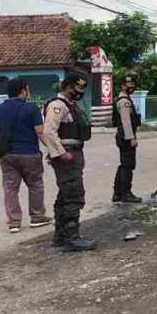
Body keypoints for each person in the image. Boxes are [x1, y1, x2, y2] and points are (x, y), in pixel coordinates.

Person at [41, 73, 95, 252]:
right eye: (75, 88)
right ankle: (72, 238)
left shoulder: (70, 105)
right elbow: (48, 132)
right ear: (66, 86)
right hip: (67, 157)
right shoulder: (58, 105)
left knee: (65, 195)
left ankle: (61, 236)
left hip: (72, 154)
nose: (78, 92)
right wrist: (61, 154)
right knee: (73, 194)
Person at [0, 79, 50, 233]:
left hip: (7, 155)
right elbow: (40, 132)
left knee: (10, 188)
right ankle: (37, 217)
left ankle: (14, 222)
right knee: (35, 185)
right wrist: (52, 149)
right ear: (23, 91)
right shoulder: (31, 108)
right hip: (29, 153)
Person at [112, 75, 142, 203]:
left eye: (132, 84)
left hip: (124, 136)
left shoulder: (125, 99)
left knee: (124, 165)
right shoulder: (124, 101)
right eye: (128, 84)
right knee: (128, 165)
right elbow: (126, 121)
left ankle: (118, 193)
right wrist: (131, 138)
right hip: (126, 136)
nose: (131, 87)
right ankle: (126, 194)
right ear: (122, 86)